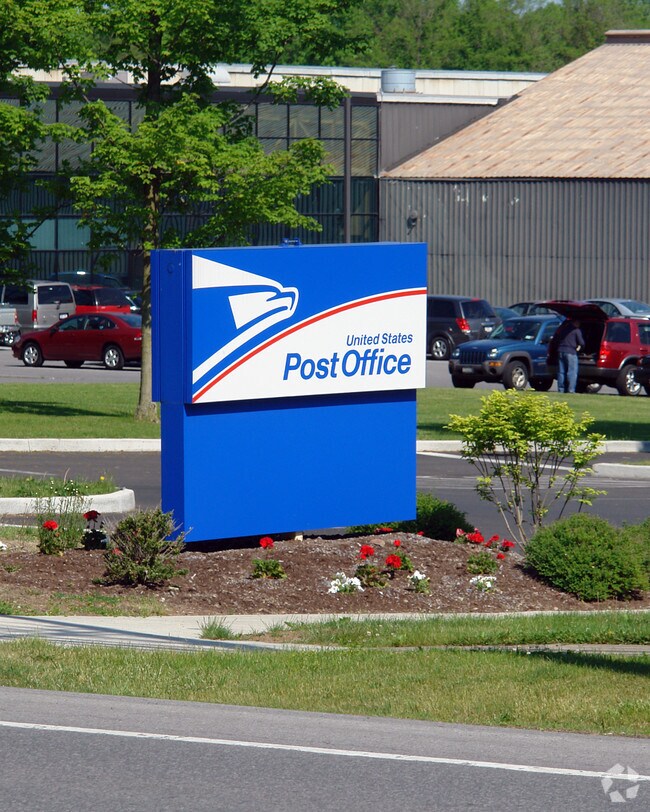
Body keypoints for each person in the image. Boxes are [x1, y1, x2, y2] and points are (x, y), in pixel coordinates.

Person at [553, 318, 585, 393]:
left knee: (561, 372)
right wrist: (581, 348)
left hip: (561, 350)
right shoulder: (576, 330)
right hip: (571, 352)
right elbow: (582, 343)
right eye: (579, 322)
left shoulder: (563, 329)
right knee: (572, 372)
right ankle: (571, 390)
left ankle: (561, 389)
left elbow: (557, 339)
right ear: (576, 322)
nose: (579, 324)